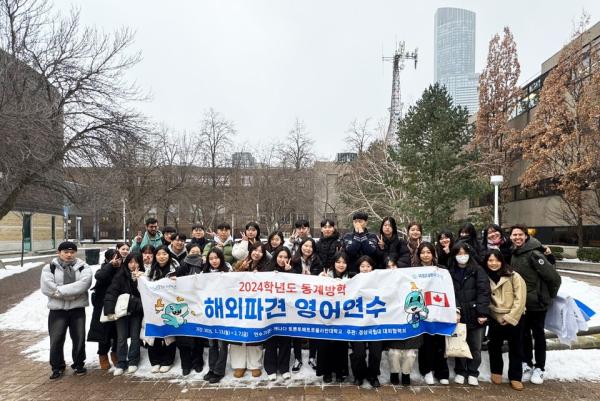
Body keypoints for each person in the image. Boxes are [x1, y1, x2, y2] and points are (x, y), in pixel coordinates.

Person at [509, 224, 561, 385]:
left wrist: (547, 297)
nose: (517, 237)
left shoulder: (534, 253)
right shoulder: (515, 253)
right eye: (514, 235)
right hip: (522, 304)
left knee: (538, 336)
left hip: (537, 304)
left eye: (520, 235)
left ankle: (540, 367)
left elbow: (554, 278)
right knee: (524, 334)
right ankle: (527, 363)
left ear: (525, 236)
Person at [40, 241, 93, 380]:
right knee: (56, 339)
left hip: (77, 309)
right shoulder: (49, 268)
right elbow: (47, 288)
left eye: (72, 252)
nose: (69, 255)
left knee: (79, 338)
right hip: (57, 310)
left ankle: (79, 364)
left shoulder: (83, 267)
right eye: (66, 252)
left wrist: (60, 291)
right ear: (59, 252)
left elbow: (83, 285)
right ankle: (57, 367)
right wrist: (72, 293)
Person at [447, 242, 490, 386]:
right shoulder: (450, 272)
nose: (461, 256)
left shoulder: (478, 270)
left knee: (475, 346)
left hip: (475, 313)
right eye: (458, 254)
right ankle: (460, 371)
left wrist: (482, 312)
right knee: (459, 343)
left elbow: (484, 291)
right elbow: (449, 293)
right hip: (458, 315)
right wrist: (456, 309)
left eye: (464, 253)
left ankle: (473, 372)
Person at [387, 243, 430, 386]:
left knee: (410, 353)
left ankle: (406, 374)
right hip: (394, 324)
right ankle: (394, 373)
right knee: (394, 353)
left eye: (394, 266)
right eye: (389, 266)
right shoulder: (382, 283)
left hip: (412, 323)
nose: (392, 269)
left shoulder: (408, 282)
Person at [484, 249, 527, 391]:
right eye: (490, 260)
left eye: (496, 260)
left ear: (501, 261)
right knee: (494, 345)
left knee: (516, 347)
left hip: (514, 316)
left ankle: (515, 376)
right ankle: (496, 371)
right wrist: (496, 316)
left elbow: (520, 299)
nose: (493, 263)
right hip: (495, 316)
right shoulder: (484, 276)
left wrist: (510, 317)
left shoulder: (514, 276)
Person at [231, 242, 269, 378]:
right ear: (250, 251)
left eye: (260, 251)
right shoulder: (241, 263)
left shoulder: (266, 267)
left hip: (256, 304)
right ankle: (238, 365)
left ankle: (255, 365)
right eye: (254, 250)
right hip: (238, 305)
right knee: (238, 335)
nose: (257, 253)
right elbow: (230, 282)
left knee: (255, 334)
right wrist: (241, 270)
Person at [104, 252, 145, 376]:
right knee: (121, 338)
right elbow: (112, 292)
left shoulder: (143, 276)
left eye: (136, 262)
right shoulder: (120, 275)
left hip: (136, 311)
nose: (133, 265)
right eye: (131, 262)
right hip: (122, 311)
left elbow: (146, 294)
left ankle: (133, 360)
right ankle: (121, 362)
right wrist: (109, 309)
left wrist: (138, 280)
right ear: (127, 263)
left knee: (135, 337)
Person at [415, 243, 450, 386]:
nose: (425, 255)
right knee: (426, 343)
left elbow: (448, 289)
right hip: (423, 312)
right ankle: (427, 371)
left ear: (433, 254)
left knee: (440, 342)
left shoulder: (441, 270)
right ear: (419, 255)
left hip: (440, 310)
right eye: (422, 252)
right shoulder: (414, 271)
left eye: (428, 252)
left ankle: (442, 372)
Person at [349, 255, 382, 388]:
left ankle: (373, 376)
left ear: (372, 268)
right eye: (362, 266)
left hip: (375, 323)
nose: (365, 269)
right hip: (357, 323)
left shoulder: (380, 280)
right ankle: (359, 375)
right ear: (358, 268)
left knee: (376, 353)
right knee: (359, 353)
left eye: (368, 266)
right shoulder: (351, 280)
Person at [173, 243, 206, 376]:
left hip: (199, 303)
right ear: (187, 252)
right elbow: (177, 277)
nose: (195, 254)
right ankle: (185, 364)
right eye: (192, 252)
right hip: (183, 303)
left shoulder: (204, 264)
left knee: (198, 335)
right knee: (183, 335)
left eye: (198, 252)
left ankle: (198, 362)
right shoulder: (182, 264)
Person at [317, 252, 350, 383]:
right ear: (333, 263)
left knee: (341, 345)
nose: (341, 265)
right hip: (326, 317)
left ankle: (340, 371)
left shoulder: (352, 278)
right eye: (338, 262)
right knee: (325, 345)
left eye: (344, 262)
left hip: (343, 317)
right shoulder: (325, 276)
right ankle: (327, 372)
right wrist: (321, 279)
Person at [291, 237, 323, 370]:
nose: (308, 248)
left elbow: (320, 277)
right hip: (296, 300)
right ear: (301, 246)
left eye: (311, 246)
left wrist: (311, 276)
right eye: (305, 245)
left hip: (313, 299)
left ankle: (312, 357)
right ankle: (297, 358)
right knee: (297, 328)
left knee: (313, 328)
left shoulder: (317, 261)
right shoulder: (293, 260)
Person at [145, 246, 179, 373]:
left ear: (169, 255)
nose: (161, 256)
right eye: (158, 254)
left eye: (164, 253)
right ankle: (155, 361)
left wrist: (177, 281)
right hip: (153, 307)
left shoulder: (176, 269)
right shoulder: (149, 270)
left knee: (169, 334)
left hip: (170, 306)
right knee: (154, 334)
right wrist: (138, 278)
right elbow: (143, 287)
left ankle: (168, 360)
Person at [263, 247, 294, 381]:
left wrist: (289, 272)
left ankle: (284, 368)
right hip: (271, 311)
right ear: (275, 257)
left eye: (285, 257)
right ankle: (270, 368)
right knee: (271, 340)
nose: (283, 260)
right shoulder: (267, 270)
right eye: (280, 257)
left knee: (285, 340)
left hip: (286, 311)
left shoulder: (292, 271)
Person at [87, 249, 120, 370]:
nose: (116, 261)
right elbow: (100, 276)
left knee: (117, 331)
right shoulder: (104, 269)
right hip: (102, 305)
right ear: (107, 259)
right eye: (113, 258)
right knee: (103, 331)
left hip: (119, 305)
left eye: (118, 258)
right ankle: (102, 355)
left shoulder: (121, 270)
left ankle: (115, 353)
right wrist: (110, 265)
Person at [202, 247, 231, 384]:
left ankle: (219, 371)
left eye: (216, 258)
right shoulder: (204, 273)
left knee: (222, 344)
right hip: (209, 312)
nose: (214, 261)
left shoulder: (228, 271)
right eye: (211, 258)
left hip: (223, 312)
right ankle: (211, 368)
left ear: (221, 258)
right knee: (211, 342)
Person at [342, 211, 378, 277]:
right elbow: (351, 250)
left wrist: (361, 234)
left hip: (368, 271)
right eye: (355, 222)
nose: (357, 224)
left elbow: (370, 251)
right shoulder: (347, 236)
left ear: (366, 222)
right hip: (352, 272)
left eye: (360, 221)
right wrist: (356, 235)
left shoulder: (372, 236)